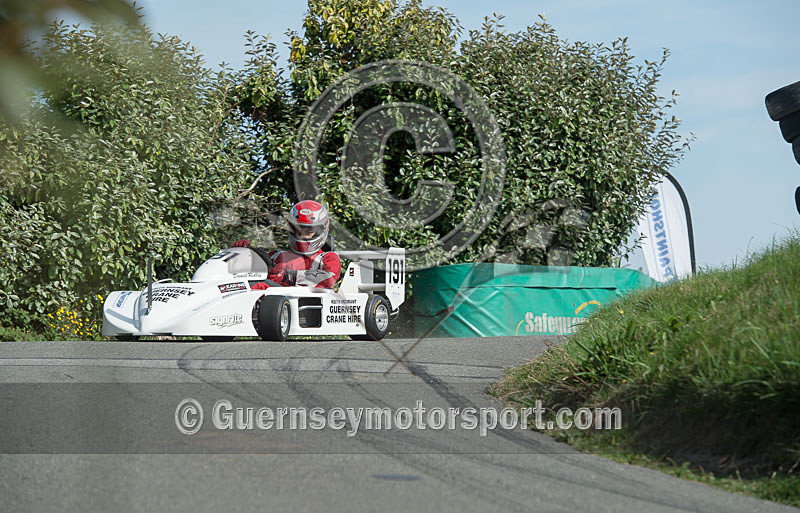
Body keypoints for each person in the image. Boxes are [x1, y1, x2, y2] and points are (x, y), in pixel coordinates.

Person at [232, 200, 341, 289]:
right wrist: (245, 253)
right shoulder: (277, 256)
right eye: (298, 231)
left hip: (302, 309)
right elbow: (255, 269)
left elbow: (329, 278)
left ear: (321, 231)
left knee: (258, 286)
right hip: (269, 305)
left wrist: (287, 276)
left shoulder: (328, 258)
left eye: (308, 232)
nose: (302, 236)